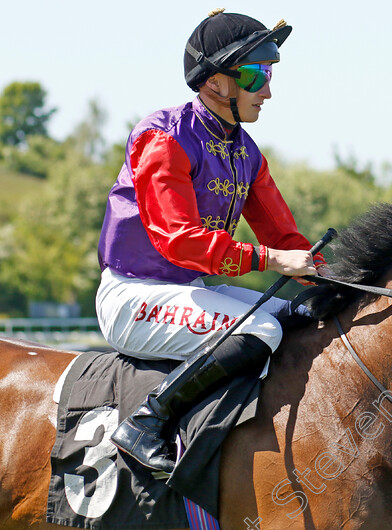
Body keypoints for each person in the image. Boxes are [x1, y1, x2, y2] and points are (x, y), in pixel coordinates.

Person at [95, 9, 331, 475]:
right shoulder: (161, 137)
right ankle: (149, 421)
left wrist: (335, 280)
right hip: (133, 295)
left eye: (268, 74)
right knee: (260, 330)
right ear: (214, 83)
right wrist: (271, 259)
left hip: (189, 291)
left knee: (299, 317)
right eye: (255, 74)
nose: (267, 90)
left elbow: (284, 236)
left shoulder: (245, 152)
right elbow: (180, 242)